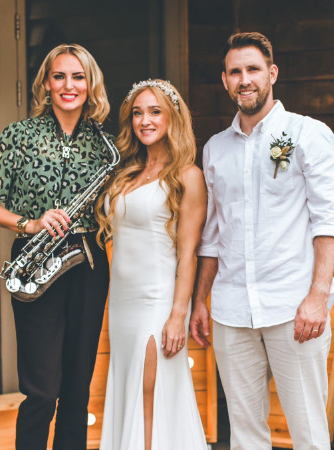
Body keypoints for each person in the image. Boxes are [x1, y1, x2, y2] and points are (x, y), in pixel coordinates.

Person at [190, 32, 334, 450]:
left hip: (292, 307)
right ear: (225, 80)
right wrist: (201, 301)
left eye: (253, 69)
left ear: (272, 74)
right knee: (244, 433)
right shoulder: (214, 149)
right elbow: (212, 233)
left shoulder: (308, 134)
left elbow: (329, 220)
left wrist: (317, 297)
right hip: (231, 312)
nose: (245, 79)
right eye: (235, 72)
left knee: (309, 432)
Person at [0, 44, 112, 450]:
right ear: (46, 84)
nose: (69, 85)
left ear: (91, 84)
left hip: (86, 262)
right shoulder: (20, 135)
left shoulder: (106, 144)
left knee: (76, 389)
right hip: (36, 261)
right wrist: (29, 223)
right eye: (60, 76)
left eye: (78, 77)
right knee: (41, 389)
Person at [96, 79, 208, 450]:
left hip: (158, 301)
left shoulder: (188, 176)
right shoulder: (127, 172)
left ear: (172, 116)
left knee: (152, 388)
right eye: (138, 113)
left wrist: (179, 314)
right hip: (123, 304)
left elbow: (188, 254)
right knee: (130, 387)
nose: (145, 120)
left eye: (155, 111)